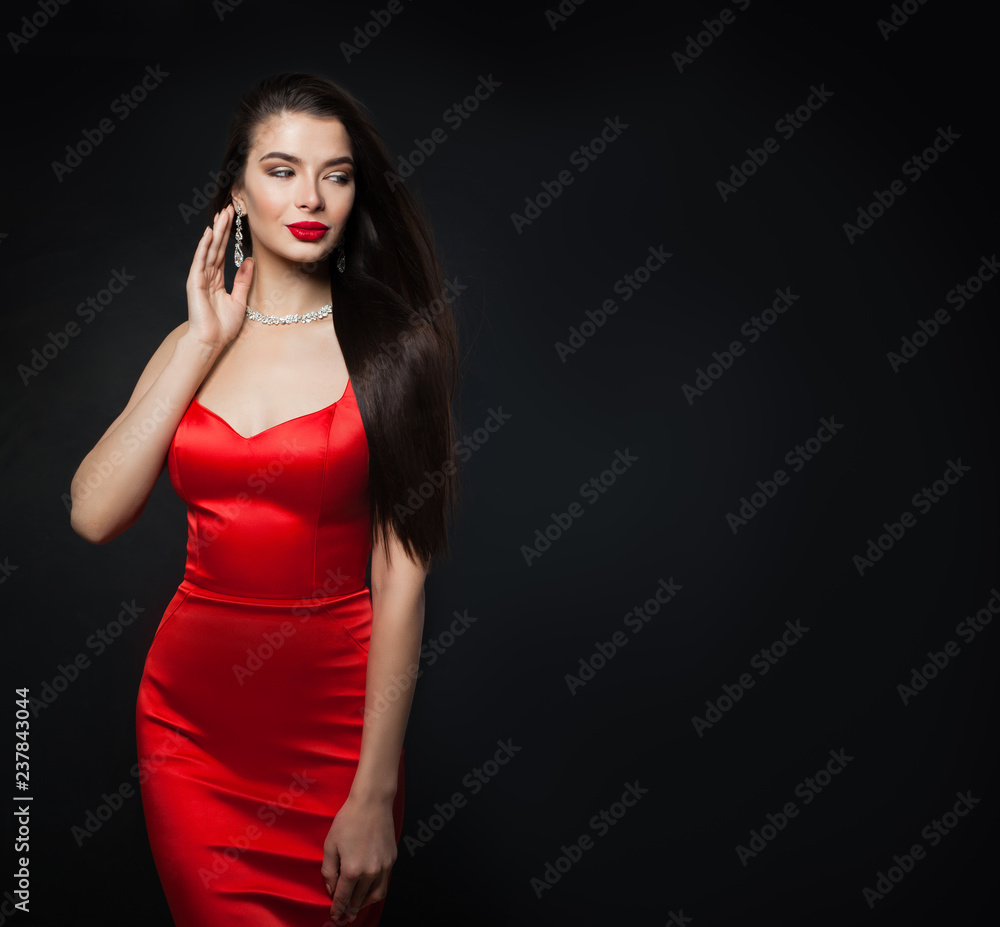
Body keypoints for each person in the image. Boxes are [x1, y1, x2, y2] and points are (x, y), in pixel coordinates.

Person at [69, 72, 461, 926]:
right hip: (190, 728)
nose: (311, 196)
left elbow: (402, 579)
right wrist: (201, 340)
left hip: (334, 729)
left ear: (357, 193)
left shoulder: (396, 350)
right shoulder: (190, 341)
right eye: (282, 170)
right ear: (237, 193)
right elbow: (94, 513)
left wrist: (374, 792)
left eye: (337, 173)